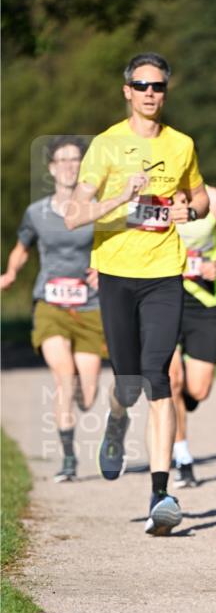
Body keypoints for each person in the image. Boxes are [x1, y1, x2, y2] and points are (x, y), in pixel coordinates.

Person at [65, 53, 209, 535]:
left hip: (166, 272)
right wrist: (122, 197)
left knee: (158, 376)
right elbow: (75, 215)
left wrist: (188, 212)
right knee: (127, 383)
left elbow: (200, 197)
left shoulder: (182, 144)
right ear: (127, 90)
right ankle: (115, 419)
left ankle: (160, 494)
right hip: (116, 274)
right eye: (142, 85)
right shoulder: (106, 146)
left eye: (159, 86)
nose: (151, 92)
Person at [1, 135, 106, 482]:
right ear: (51, 168)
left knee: (87, 396)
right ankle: (69, 458)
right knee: (63, 377)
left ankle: (79, 402)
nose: (69, 167)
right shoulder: (37, 212)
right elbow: (22, 248)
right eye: (62, 161)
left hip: (90, 307)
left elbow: (116, 246)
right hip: (50, 303)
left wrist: (102, 268)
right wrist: (11, 272)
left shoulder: (98, 209)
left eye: (75, 160)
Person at [169, 183, 216, 487]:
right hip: (164, 296)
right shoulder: (154, 197)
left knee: (197, 390)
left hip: (206, 299)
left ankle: (184, 393)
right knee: (171, 379)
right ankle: (182, 456)